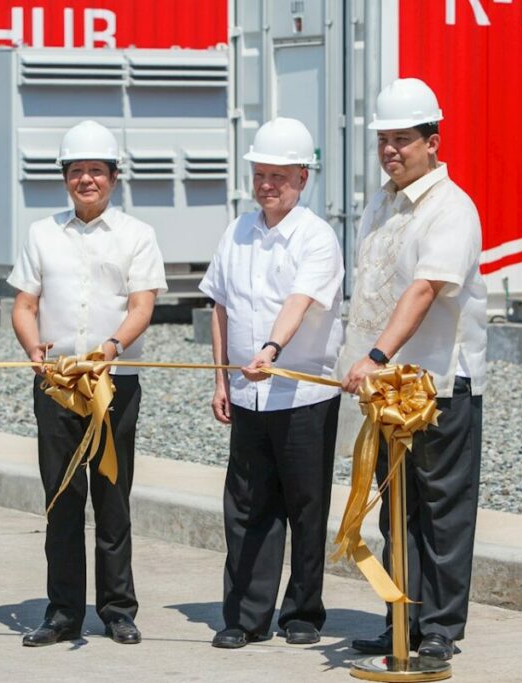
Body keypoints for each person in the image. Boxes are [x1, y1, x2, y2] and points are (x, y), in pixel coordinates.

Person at [340, 78, 487, 661]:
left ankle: (440, 632)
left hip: (437, 385)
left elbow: (425, 288)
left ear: (433, 140)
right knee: (396, 509)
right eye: (384, 139)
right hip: (388, 391)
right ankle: (402, 617)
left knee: (442, 512)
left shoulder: (452, 209)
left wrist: (375, 356)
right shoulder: (380, 203)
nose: (391, 150)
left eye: (403, 139)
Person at [8, 120, 167, 647]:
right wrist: (32, 348)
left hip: (113, 384)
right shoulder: (40, 233)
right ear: (64, 177)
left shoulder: (136, 235)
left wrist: (112, 348)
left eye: (96, 171)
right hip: (56, 385)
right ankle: (62, 612)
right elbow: (25, 304)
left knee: (112, 495)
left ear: (114, 177)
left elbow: (143, 304)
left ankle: (118, 609)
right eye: (76, 171)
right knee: (61, 499)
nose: (86, 180)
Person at [200, 118, 344, 649]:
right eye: (260, 174)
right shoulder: (236, 231)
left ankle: (304, 608)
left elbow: (300, 303)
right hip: (247, 394)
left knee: (306, 506)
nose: (267, 185)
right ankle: (245, 616)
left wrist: (270, 350)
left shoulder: (317, 238)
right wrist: (221, 379)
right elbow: (220, 305)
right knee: (246, 505)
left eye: (278, 176)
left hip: (303, 394)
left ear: (303, 178)